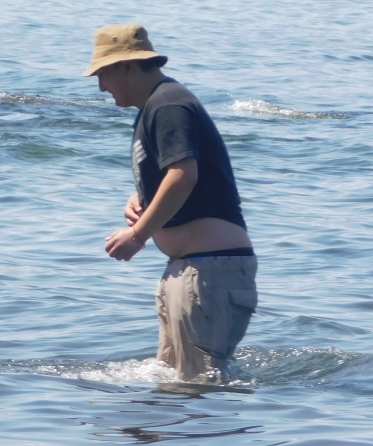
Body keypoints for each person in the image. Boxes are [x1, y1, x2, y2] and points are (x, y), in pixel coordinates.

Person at [85, 23, 257, 381]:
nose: (101, 86)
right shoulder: (156, 106)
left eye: (103, 74)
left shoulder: (169, 104)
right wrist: (142, 197)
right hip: (191, 267)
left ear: (128, 66)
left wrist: (138, 235)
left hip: (209, 270)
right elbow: (176, 174)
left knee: (198, 389)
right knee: (172, 385)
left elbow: (183, 174)